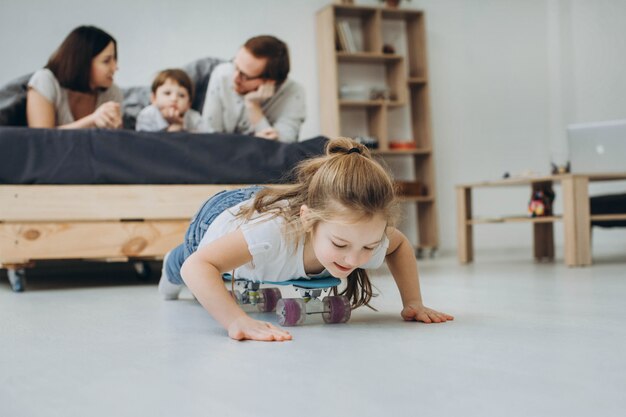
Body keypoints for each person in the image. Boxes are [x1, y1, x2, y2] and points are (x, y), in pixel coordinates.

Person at [158, 137, 453, 342]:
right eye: (340, 245)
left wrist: (413, 302)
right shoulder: (272, 235)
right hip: (224, 217)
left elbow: (398, 245)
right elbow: (198, 266)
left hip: (285, 207)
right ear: (309, 219)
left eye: (369, 247)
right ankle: (171, 260)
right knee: (184, 262)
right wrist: (237, 321)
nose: (353, 260)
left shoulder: (363, 234)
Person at [201, 35, 305, 143]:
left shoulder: (294, 93)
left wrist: (253, 106)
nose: (235, 77)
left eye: (244, 75)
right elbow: (209, 137)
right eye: (235, 65)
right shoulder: (221, 74)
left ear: (270, 81)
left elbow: (282, 148)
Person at [26, 25, 123, 129]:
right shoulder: (44, 81)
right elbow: (41, 139)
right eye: (106, 61)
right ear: (83, 62)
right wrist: (92, 120)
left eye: (114, 60)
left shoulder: (112, 93)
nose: (115, 67)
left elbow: (114, 142)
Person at [136, 68, 209, 133]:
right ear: (154, 98)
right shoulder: (147, 115)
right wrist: (172, 130)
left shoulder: (193, 118)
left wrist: (182, 127)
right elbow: (144, 142)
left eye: (181, 95)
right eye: (167, 93)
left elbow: (208, 138)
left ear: (189, 104)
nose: (174, 99)